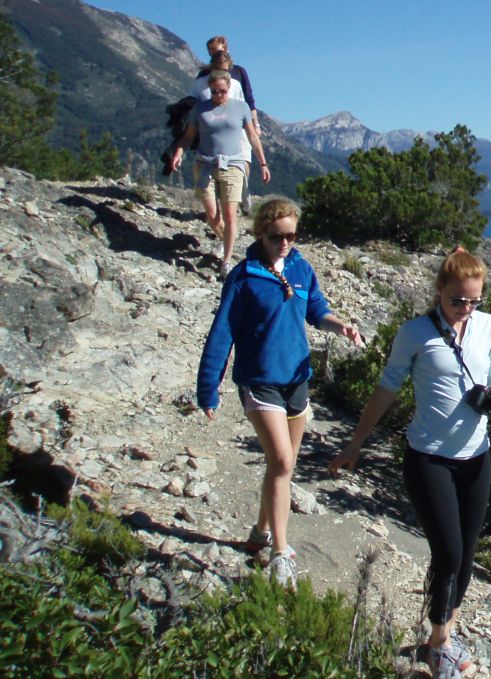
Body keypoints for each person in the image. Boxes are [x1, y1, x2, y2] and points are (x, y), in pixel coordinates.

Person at [328, 247, 491, 679]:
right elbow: (386, 390)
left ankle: (445, 636)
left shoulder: (487, 327)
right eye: (458, 300)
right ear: (440, 290)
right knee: (449, 552)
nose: (465, 309)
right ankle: (439, 645)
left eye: (474, 301)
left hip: (476, 457)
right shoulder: (415, 334)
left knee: (467, 553)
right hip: (428, 459)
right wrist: (355, 443)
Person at [197, 197, 365, 587]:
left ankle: (260, 530)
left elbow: (316, 310)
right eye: (278, 236)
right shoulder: (243, 277)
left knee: (280, 467)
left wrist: (340, 326)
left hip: (297, 379)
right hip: (260, 380)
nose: (286, 242)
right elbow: (221, 333)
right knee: (284, 464)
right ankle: (280, 552)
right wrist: (209, 388)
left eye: (292, 235)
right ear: (261, 233)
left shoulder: (301, 269)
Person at [167, 70, 269, 277]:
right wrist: (178, 152)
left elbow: (252, 137)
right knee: (212, 216)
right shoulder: (200, 109)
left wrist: (262, 163)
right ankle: (225, 239)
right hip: (205, 164)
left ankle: (226, 260)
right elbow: (188, 136)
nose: (219, 95)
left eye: (222, 91)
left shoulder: (241, 108)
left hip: (233, 164)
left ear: (229, 88)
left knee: (230, 214)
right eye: (214, 91)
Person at [199, 37, 260, 215]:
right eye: (211, 51)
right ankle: (226, 205)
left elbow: (249, 99)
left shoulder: (239, 72)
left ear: (227, 51)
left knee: (244, 160)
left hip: (239, 122)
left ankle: (242, 193)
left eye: (217, 51)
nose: (214, 54)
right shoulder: (204, 76)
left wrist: (255, 123)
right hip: (215, 125)